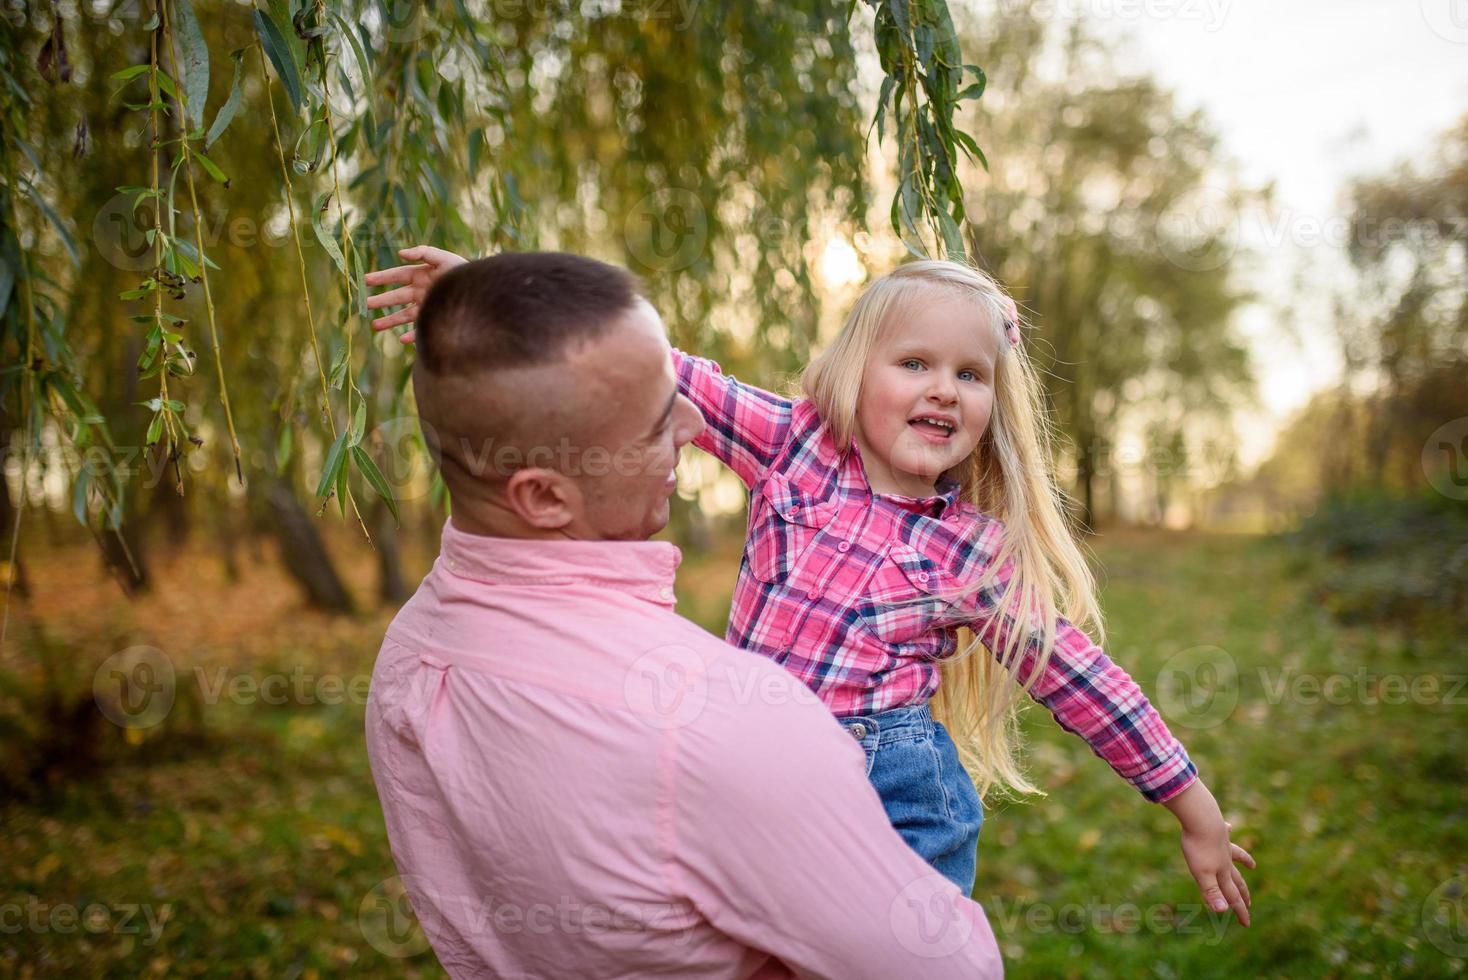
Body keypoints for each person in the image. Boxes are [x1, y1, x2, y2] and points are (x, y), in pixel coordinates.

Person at [369, 247, 1256, 925]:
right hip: (750, 752)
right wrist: (491, 296)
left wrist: (1190, 802)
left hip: (896, 793)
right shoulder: (795, 448)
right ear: (854, 370)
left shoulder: (971, 555)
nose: (943, 390)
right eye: (915, 364)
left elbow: (1080, 678)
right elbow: (662, 372)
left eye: (970, 375)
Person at [363, 250, 1003, 978]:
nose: (695, 423)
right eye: (655, 419)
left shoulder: (409, 661)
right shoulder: (723, 722)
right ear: (544, 497)